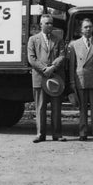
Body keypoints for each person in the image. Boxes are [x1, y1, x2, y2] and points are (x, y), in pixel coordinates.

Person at [27, 14, 66, 143]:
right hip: (39, 77)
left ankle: (57, 134)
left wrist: (53, 67)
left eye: (51, 23)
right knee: (40, 106)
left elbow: (62, 55)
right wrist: (44, 69)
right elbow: (31, 58)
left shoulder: (58, 39)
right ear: (41, 25)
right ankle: (40, 134)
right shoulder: (33, 39)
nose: (50, 25)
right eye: (47, 23)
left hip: (55, 78)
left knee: (56, 107)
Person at [69, 18, 93, 141]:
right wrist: (72, 82)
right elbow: (72, 65)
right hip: (80, 79)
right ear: (81, 29)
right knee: (82, 108)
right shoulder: (74, 44)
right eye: (85, 27)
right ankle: (83, 132)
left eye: (90, 26)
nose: (88, 29)